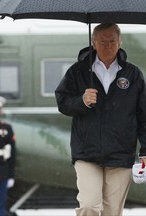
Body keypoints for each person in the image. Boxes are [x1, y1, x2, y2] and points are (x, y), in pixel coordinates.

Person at [55, 23, 146, 216]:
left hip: (121, 152)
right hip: (86, 152)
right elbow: (63, 103)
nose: (108, 45)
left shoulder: (133, 74)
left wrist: (145, 150)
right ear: (93, 43)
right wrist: (81, 101)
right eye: (102, 41)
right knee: (89, 205)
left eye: (112, 41)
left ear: (120, 42)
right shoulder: (77, 71)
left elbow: (143, 115)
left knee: (112, 211)